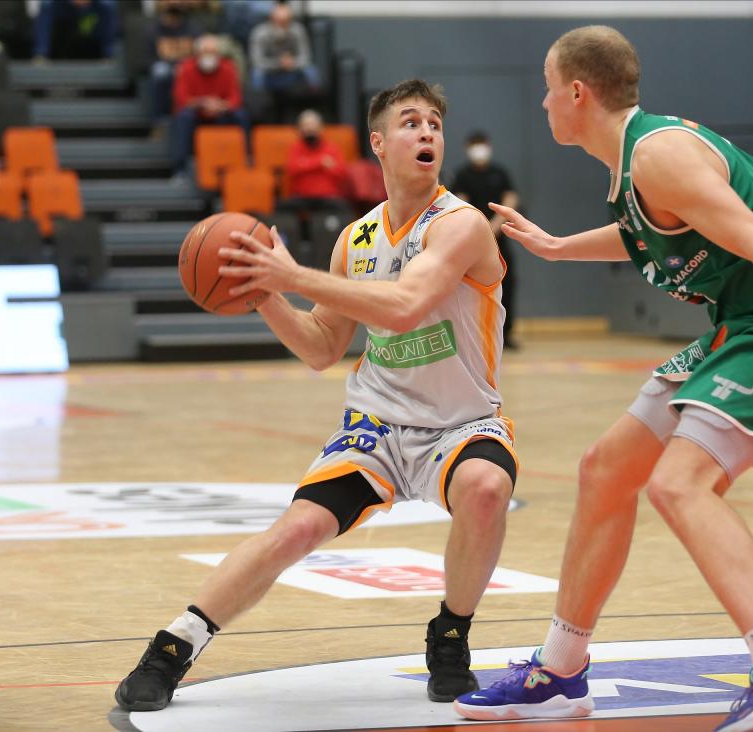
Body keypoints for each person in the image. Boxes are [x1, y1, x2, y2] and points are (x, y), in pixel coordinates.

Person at [454, 25, 753, 732]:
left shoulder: (658, 154)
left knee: (679, 483)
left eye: (547, 89)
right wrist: (557, 247)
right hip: (743, 324)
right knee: (606, 469)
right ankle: (562, 668)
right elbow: (650, 234)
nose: (543, 103)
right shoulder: (636, 166)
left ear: (576, 92)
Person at [115, 79, 518, 712]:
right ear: (378, 143)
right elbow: (323, 347)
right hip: (378, 422)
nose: (428, 133)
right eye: (411, 122)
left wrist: (291, 274)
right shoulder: (355, 240)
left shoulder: (460, 224)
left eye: (435, 124)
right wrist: (266, 294)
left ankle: (449, 635)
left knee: (487, 488)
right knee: (297, 528)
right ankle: (173, 647)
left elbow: (407, 305)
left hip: (460, 424)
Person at [452, 131, 521, 348]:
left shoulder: (499, 173)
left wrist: (494, 226)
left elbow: (510, 198)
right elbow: (461, 203)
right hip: (472, 242)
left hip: (500, 240)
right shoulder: (462, 175)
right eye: (475, 145)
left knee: (507, 284)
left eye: (482, 144)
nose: (479, 150)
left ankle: (506, 334)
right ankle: (476, 335)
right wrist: (481, 228)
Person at [170, 33, 249, 180]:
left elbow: (236, 97)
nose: (209, 56)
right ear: (197, 54)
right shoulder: (186, 68)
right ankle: (180, 168)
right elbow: (181, 97)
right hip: (197, 113)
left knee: (240, 115)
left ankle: (243, 161)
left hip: (220, 112)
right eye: (206, 52)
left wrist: (222, 105)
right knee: (184, 117)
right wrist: (202, 103)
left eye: (213, 52)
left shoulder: (228, 67)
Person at [247, 1, 318, 123]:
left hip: (292, 70)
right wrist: (279, 63)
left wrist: (292, 62)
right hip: (269, 72)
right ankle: (258, 115)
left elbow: (305, 57)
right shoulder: (260, 32)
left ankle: (312, 111)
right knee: (256, 74)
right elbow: (257, 61)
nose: (282, 25)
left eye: (286, 22)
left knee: (311, 71)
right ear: (272, 19)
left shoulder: (298, 30)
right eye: (279, 21)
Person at [279, 108, 350, 213]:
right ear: (299, 129)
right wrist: (320, 162)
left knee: (345, 209)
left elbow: (342, 173)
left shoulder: (332, 148)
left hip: (328, 197)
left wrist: (306, 163)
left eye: (313, 125)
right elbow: (292, 170)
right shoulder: (295, 148)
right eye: (306, 125)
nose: (309, 128)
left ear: (321, 128)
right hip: (301, 197)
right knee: (281, 209)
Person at [147, 0, 200, 138]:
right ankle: (159, 122)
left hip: (188, 67)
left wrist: (184, 67)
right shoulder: (153, 29)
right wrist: (174, 66)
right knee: (160, 72)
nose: (173, 3)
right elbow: (149, 58)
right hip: (164, 66)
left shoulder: (192, 28)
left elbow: (198, 55)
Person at [33, 0, 117, 62]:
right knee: (46, 4)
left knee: (107, 5)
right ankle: (41, 54)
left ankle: (108, 55)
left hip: (92, 8)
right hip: (65, 7)